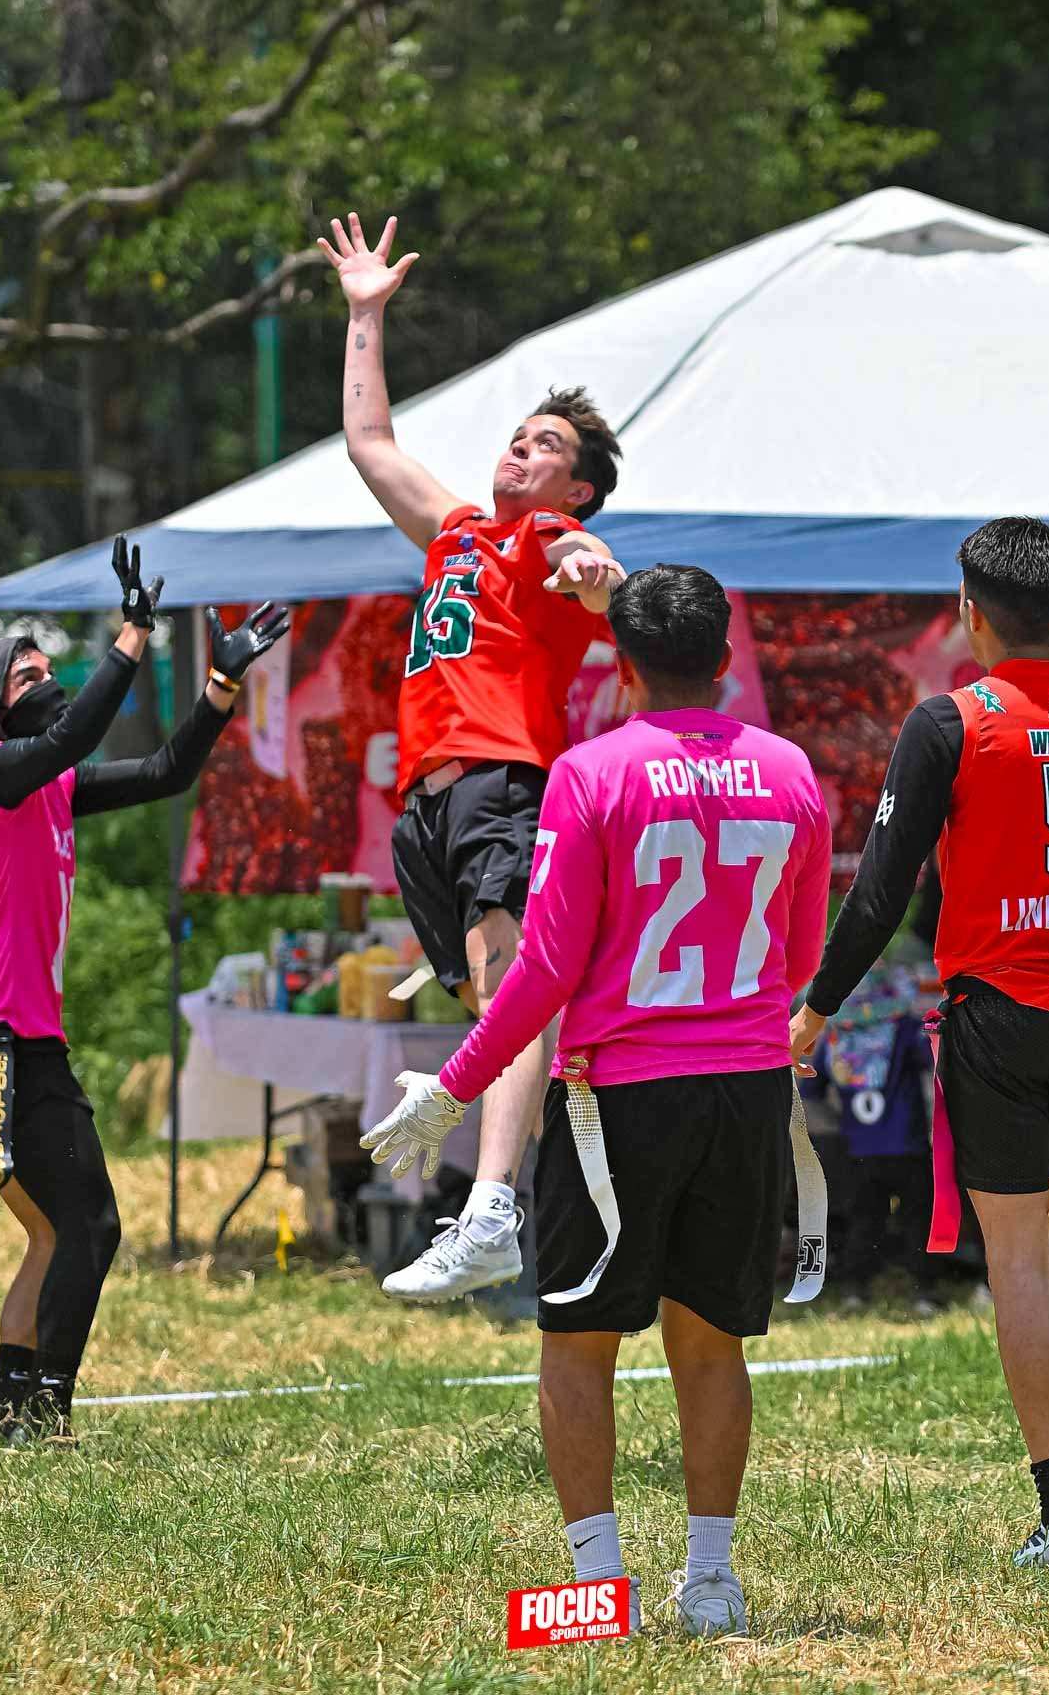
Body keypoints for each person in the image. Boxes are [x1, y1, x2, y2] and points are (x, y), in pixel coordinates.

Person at [361, 565, 832, 1636]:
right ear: (725, 659)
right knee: (710, 1342)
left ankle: (596, 1589)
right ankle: (710, 1584)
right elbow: (799, 954)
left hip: (614, 1102)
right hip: (745, 1093)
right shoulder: (791, 771)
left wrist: (452, 1089)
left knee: (578, 1341)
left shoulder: (588, 772)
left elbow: (542, 970)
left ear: (619, 666)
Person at [790, 517, 1049, 1569]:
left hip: (999, 1012)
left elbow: (881, 892)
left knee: (1014, 1251)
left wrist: (815, 1010)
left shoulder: (951, 722)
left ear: (969, 611)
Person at [318, 209, 625, 1303]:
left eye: (546, 446)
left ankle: (493, 1207)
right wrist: (365, 314)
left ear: (575, 487)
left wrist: (597, 576)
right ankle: (566, 1182)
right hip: (427, 805)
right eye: (519, 434)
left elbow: (600, 573)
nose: (520, 448)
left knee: (512, 996)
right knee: (497, 1010)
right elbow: (369, 444)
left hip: (502, 781)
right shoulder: (457, 530)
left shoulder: (546, 538)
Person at [0, 538, 288, 1445]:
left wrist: (221, 687)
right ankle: (43, 1413)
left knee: (61, 1233)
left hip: (6, 1040)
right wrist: (133, 635)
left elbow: (167, 771)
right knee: (88, 1224)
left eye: (51, 669)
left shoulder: (47, 790)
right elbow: (74, 734)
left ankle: (12, 1417)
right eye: (29, 676)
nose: (49, 681)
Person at [806, 969, 939, 1313]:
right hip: (906, 1144)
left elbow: (812, 1088)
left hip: (859, 1147)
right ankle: (923, 1291)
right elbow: (931, 1058)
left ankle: (855, 1288)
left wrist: (841, 1121)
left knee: (864, 1220)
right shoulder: (903, 1027)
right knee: (918, 1219)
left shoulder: (837, 1035)